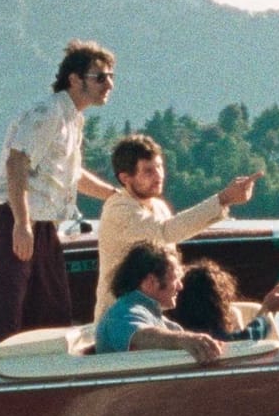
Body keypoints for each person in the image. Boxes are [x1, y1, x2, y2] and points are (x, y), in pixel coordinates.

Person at [0, 40, 120, 360]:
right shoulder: (48, 112)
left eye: (111, 77)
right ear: (74, 80)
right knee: (2, 313)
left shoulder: (73, 119)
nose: (109, 84)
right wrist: (21, 223)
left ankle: (43, 373)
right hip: (14, 220)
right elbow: (17, 162)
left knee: (51, 311)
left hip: (43, 225)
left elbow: (72, 174)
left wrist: (114, 196)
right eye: (100, 77)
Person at [92, 133, 263, 322]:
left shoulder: (158, 207)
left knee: (248, 312)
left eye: (159, 167)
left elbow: (170, 242)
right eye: (148, 171)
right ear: (125, 178)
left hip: (157, 311)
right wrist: (224, 198)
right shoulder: (118, 209)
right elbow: (166, 232)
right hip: (123, 318)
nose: (159, 176)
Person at [94, 241, 224, 364]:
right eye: (175, 279)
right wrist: (183, 340)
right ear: (151, 282)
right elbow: (139, 336)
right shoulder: (121, 314)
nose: (181, 286)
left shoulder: (165, 323)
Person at [170, 259, 279, 342]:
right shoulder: (215, 338)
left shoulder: (174, 331)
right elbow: (249, 338)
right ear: (218, 302)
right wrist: (267, 308)